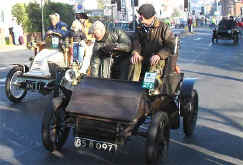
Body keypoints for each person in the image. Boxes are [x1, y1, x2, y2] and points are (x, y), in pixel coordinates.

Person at [128, 4, 176, 82]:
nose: (140, 18)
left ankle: (148, 91)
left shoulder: (164, 28)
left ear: (145, 16)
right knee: (134, 61)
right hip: (143, 58)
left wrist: (159, 55)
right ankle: (132, 89)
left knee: (154, 66)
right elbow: (136, 42)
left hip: (158, 59)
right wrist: (136, 53)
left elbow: (170, 45)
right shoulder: (139, 28)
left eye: (141, 15)